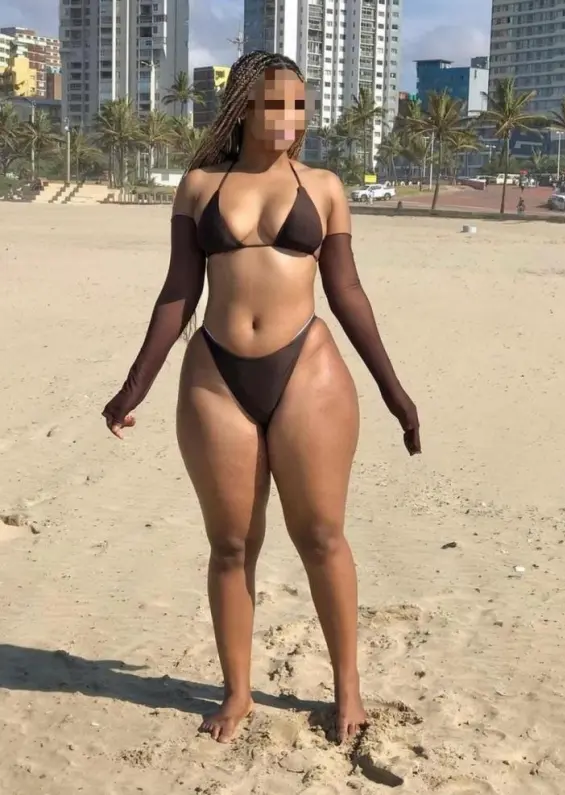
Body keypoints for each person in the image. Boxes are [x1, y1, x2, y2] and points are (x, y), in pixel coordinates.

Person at [102, 51, 420, 745]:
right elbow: (178, 291)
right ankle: (238, 692)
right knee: (230, 544)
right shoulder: (199, 187)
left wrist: (394, 391)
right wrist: (134, 386)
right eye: (275, 104)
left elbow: (347, 292)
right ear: (243, 107)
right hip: (215, 374)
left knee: (322, 535)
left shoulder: (324, 187)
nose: (289, 118)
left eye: (299, 105)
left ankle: (348, 689)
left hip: (308, 367)